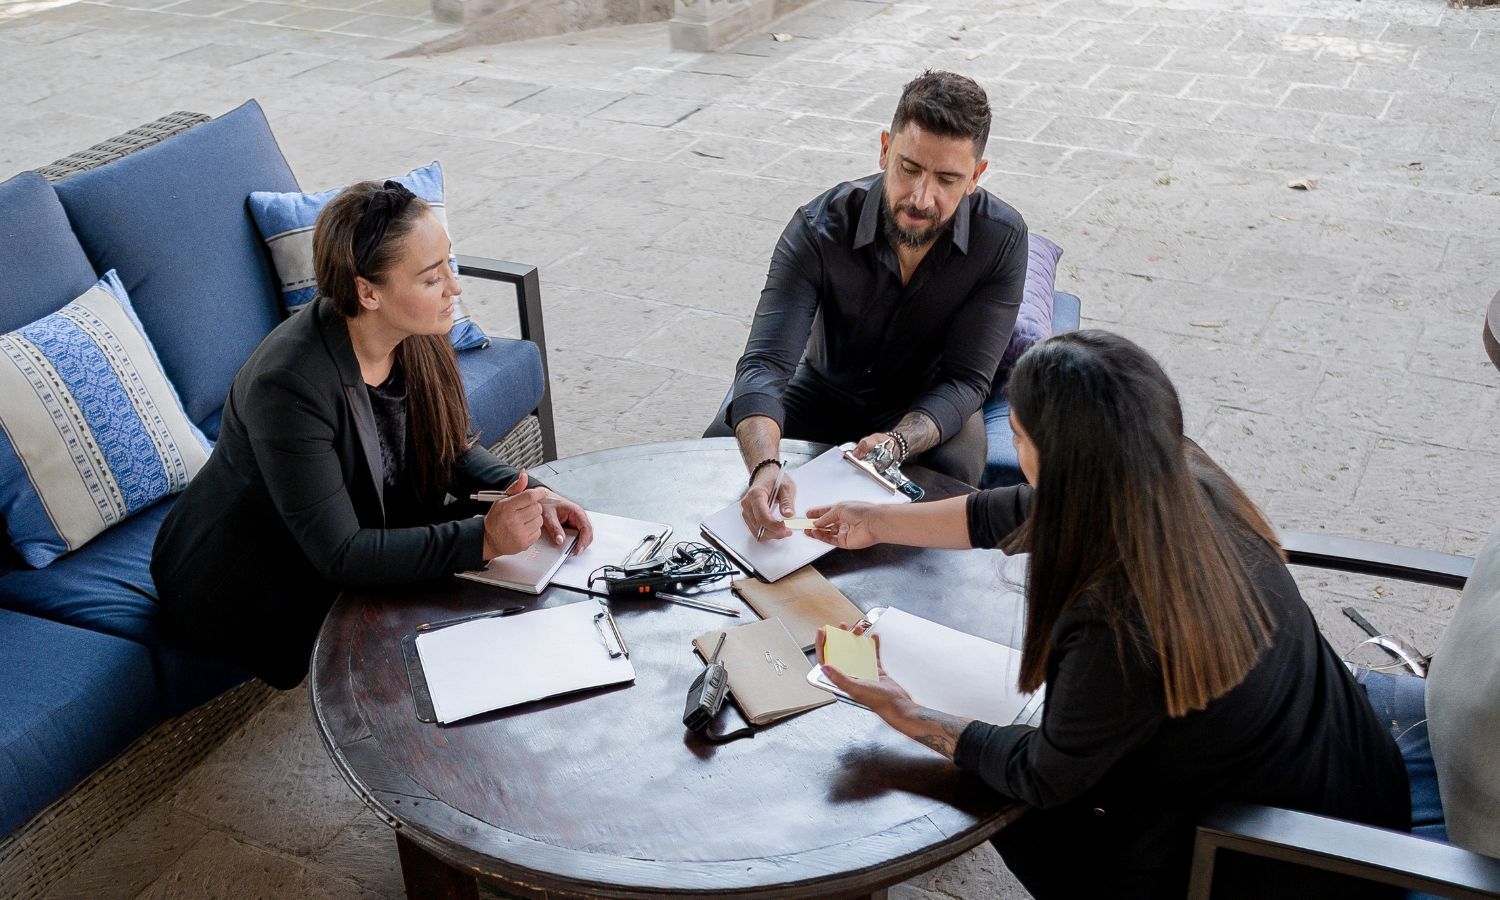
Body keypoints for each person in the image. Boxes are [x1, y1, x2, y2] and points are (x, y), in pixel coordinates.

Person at [804, 330, 1410, 898]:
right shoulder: (1184, 480)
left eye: (1017, 435)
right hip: (1354, 774)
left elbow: (1044, 777)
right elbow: (1019, 510)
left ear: (1066, 463)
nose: (1016, 451)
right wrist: (877, 519)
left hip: (1273, 861)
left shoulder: (1116, 622)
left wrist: (907, 713)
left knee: (992, 795)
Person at [152, 180, 592, 690]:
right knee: (452, 607)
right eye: (432, 278)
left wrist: (528, 490)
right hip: (245, 580)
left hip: (347, 531)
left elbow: (450, 449)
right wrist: (485, 537)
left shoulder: (414, 336)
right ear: (368, 291)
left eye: (450, 263)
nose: (455, 287)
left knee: (496, 587)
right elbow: (341, 554)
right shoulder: (289, 385)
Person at [705, 70, 1029, 540]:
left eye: (946, 179)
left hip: (930, 404)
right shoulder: (818, 228)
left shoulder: (1000, 239)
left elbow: (966, 379)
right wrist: (765, 466)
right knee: (716, 451)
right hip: (821, 388)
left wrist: (898, 442)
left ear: (976, 176)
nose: (922, 197)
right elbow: (765, 363)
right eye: (909, 168)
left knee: (950, 485)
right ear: (884, 149)